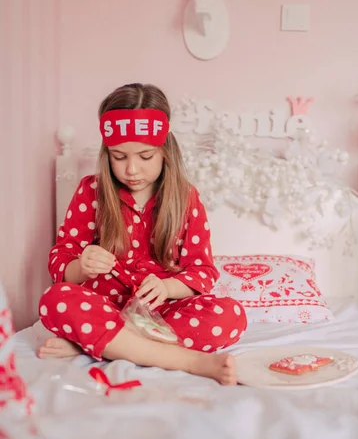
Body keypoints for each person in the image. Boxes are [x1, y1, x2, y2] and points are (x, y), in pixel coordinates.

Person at [38, 83, 247, 385]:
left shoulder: (186, 198)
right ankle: (190, 361)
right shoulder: (90, 191)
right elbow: (61, 260)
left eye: (146, 157)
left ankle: (101, 343)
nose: (132, 169)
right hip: (103, 305)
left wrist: (168, 288)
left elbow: (202, 271)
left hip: (162, 313)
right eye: (119, 157)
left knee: (231, 314)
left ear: (165, 151)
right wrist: (80, 266)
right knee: (54, 299)